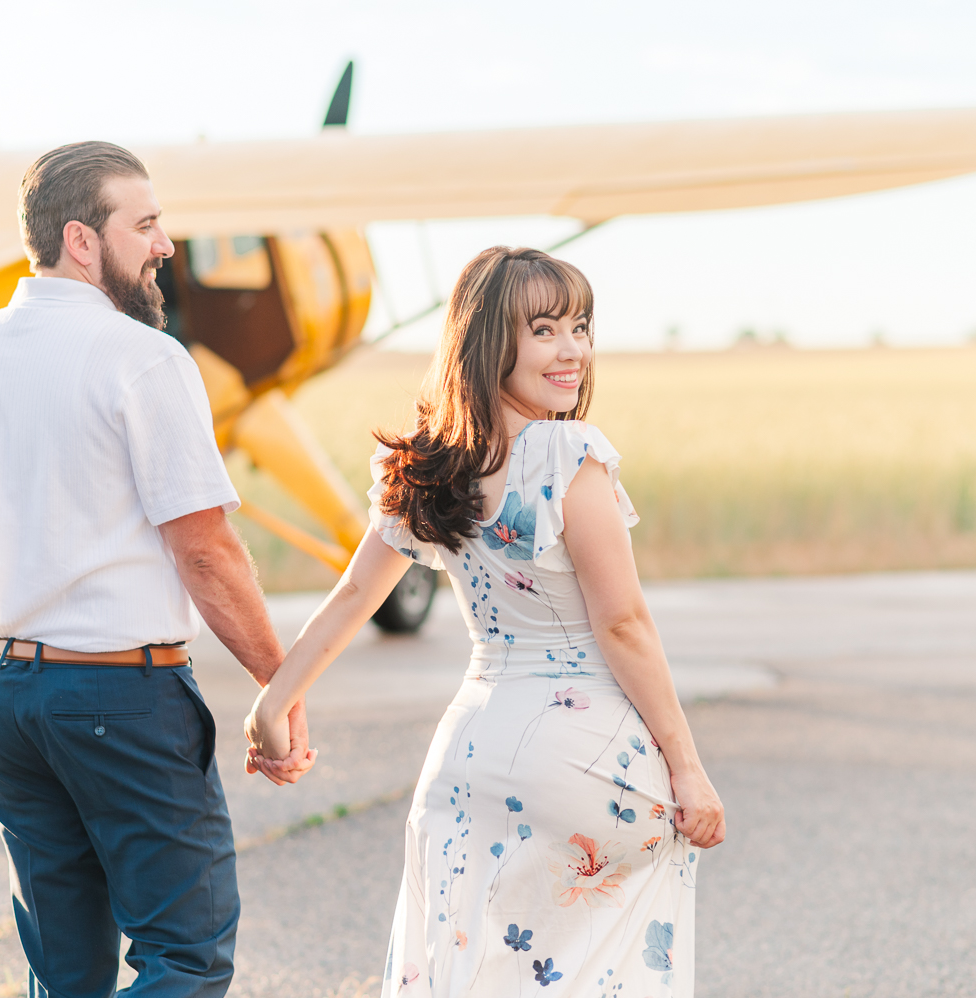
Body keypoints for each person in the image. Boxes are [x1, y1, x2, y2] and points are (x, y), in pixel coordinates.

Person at [245, 246, 726, 996]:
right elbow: (623, 624)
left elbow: (351, 599)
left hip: (469, 759)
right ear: (488, 343)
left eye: (580, 326)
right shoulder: (569, 457)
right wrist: (688, 769)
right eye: (544, 330)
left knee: (471, 974)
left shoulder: (429, 468)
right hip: (587, 756)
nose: (572, 350)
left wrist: (274, 702)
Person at [0, 140, 315, 998]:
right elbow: (206, 552)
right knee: (185, 955)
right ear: (81, 240)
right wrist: (278, 686)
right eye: (144, 225)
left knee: (65, 973)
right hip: (119, 698)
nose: (165, 243)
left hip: (3, 702)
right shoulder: (144, 358)